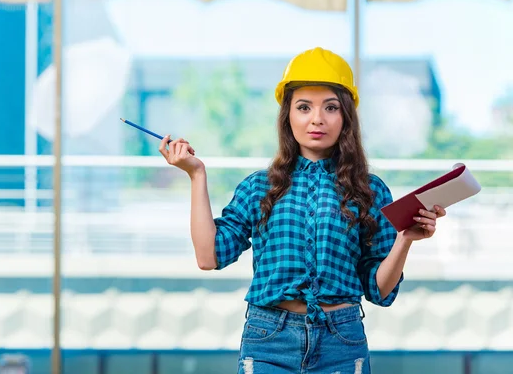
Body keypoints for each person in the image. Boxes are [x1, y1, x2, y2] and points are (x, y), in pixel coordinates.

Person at [158, 47, 446, 374]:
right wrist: (197, 174)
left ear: (346, 117)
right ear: (288, 115)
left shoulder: (370, 190)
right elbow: (209, 257)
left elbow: (379, 291)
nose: (317, 118)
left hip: (341, 340)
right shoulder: (259, 187)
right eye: (304, 107)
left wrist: (404, 238)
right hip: (269, 341)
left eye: (331, 107)